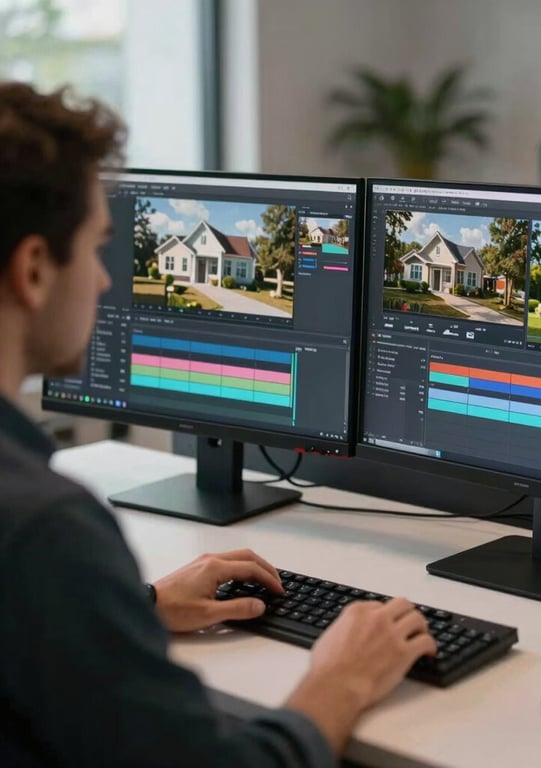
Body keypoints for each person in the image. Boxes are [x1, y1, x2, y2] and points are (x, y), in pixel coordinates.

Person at [0, 81, 436, 767]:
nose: (106, 281)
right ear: (32, 270)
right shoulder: (44, 531)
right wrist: (339, 682)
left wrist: (131, 608)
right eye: (94, 249)